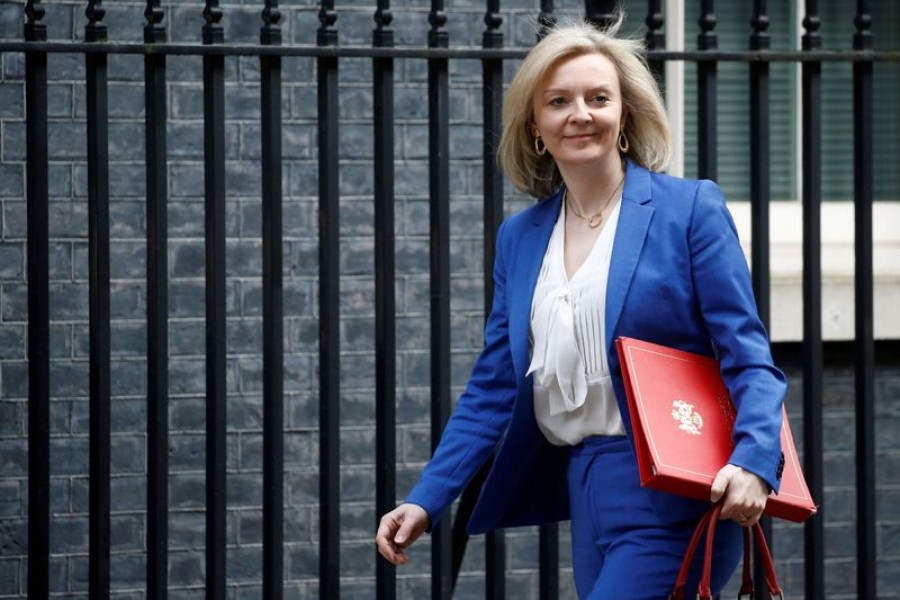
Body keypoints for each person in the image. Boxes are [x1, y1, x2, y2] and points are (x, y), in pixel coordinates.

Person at [376, 16, 786, 599]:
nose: (581, 114)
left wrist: (755, 460)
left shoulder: (689, 210)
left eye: (599, 98)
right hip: (585, 490)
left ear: (624, 115)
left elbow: (748, 354)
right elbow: (495, 385)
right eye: (559, 101)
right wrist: (427, 498)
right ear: (536, 126)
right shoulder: (521, 239)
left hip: (678, 494)